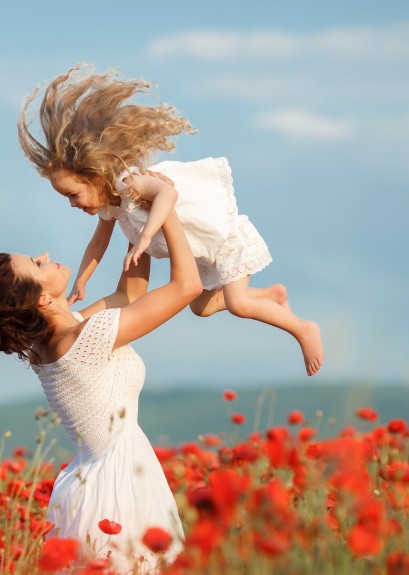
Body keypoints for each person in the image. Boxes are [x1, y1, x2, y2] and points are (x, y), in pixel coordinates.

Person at [0, 201, 202, 575]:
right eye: (36, 264)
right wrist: (163, 209)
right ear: (41, 299)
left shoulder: (58, 340)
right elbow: (188, 287)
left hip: (99, 481)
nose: (46, 256)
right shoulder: (83, 339)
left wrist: (131, 217)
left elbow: (129, 292)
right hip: (118, 489)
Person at [18, 65, 324, 377]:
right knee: (201, 308)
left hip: (223, 237)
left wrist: (148, 234)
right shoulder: (111, 206)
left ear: (94, 177)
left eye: (73, 195)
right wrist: (82, 279)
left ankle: (303, 329)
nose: (72, 204)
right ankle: (272, 296)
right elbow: (98, 242)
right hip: (200, 253)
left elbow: (167, 193)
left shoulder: (128, 182)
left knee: (238, 304)